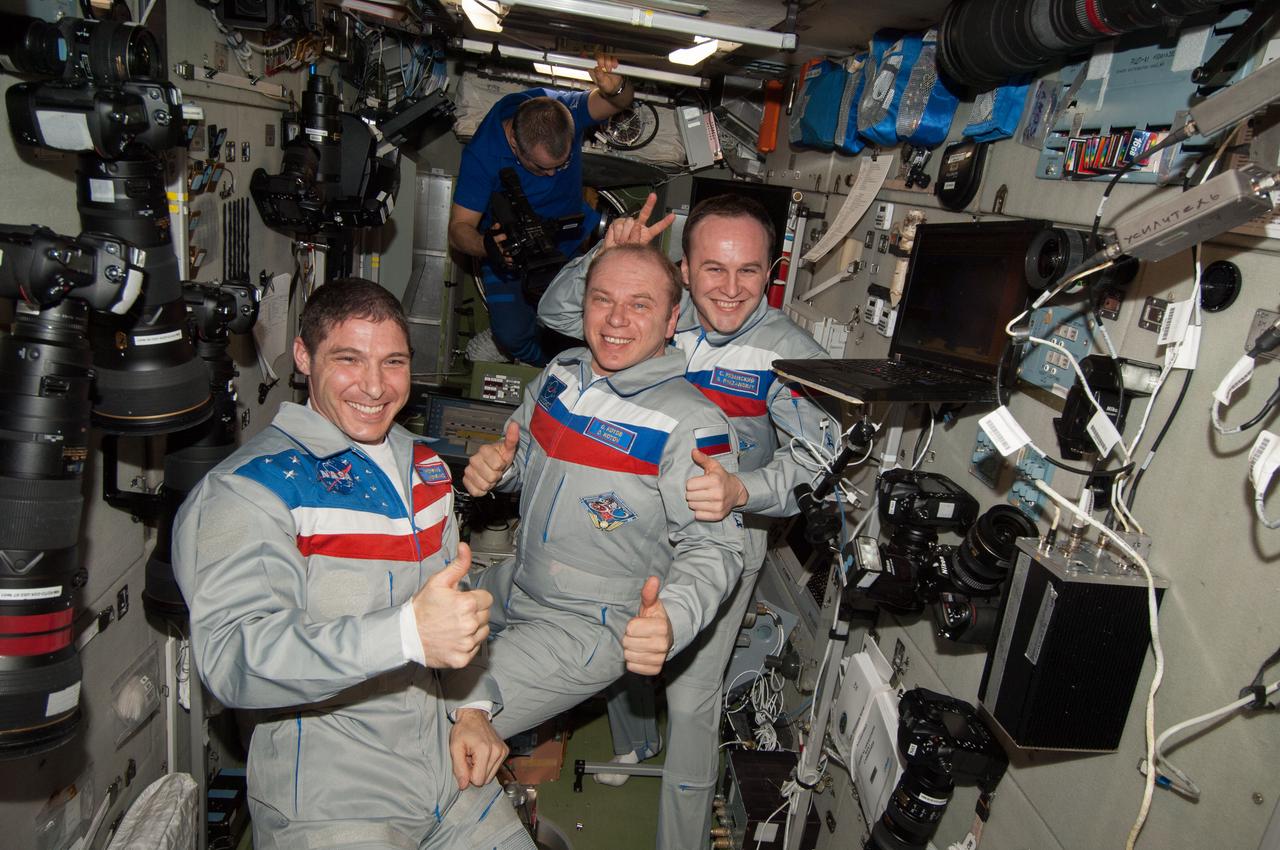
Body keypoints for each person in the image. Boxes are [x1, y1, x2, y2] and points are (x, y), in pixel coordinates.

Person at [173, 279, 534, 850]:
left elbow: (453, 615)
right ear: (303, 356)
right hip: (331, 798)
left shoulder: (425, 468)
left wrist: (471, 708)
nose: (374, 386)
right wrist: (405, 633)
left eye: (393, 362)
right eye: (348, 359)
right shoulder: (251, 490)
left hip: (448, 779)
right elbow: (234, 658)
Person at [537, 194, 833, 850]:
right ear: (685, 268)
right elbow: (556, 313)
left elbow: (820, 456)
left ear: (771, 272)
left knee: (693, 703)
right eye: (713, 269)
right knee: (617, 647)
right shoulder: (658, 311)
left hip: (720, 533)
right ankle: (636, 742)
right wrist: (609, 255)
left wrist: (742, 490)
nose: (730, 289)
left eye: (749, 270)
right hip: (634, 520)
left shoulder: (787, 352)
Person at [460, 243, 746, 740]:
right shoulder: (563, 373)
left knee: (446, 728)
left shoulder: (692, 423)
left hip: (587, 623)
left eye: (640, 304)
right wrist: (498, 472)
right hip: (519, 581)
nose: (616, 319)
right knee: (406, 639)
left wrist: (673, 620)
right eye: (602, 299)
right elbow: (520, 454)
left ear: (671, 320)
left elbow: (715, 548)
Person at [448, 57, 634, 366]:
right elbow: (458, 230)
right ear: (514, 144)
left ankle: (572, 359)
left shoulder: (558, 109)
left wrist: (617, 87)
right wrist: (487, 246)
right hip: (510, 252)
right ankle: (544, 363)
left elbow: (618, 102)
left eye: (562, 164)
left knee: (588, 322)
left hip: (569, 239)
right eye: (542, 168)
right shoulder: (483, 155)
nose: (553, 174)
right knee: (511, 334)